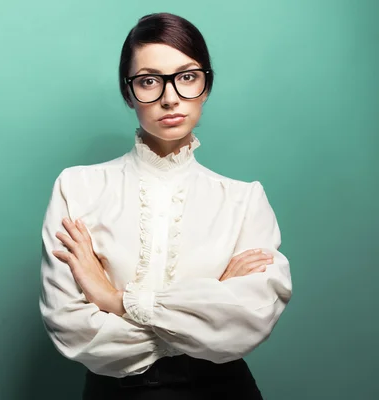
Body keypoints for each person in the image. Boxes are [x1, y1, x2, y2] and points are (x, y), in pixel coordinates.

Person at [38, 12, 292, 400]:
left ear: (206, 86)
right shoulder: (77, 188)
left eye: (187, 77)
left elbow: (247, 322)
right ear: (128, 92)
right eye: (149, 81)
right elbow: (70, 326)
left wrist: (113, 300)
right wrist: (206, 312)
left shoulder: (244, 200)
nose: (170, 97)